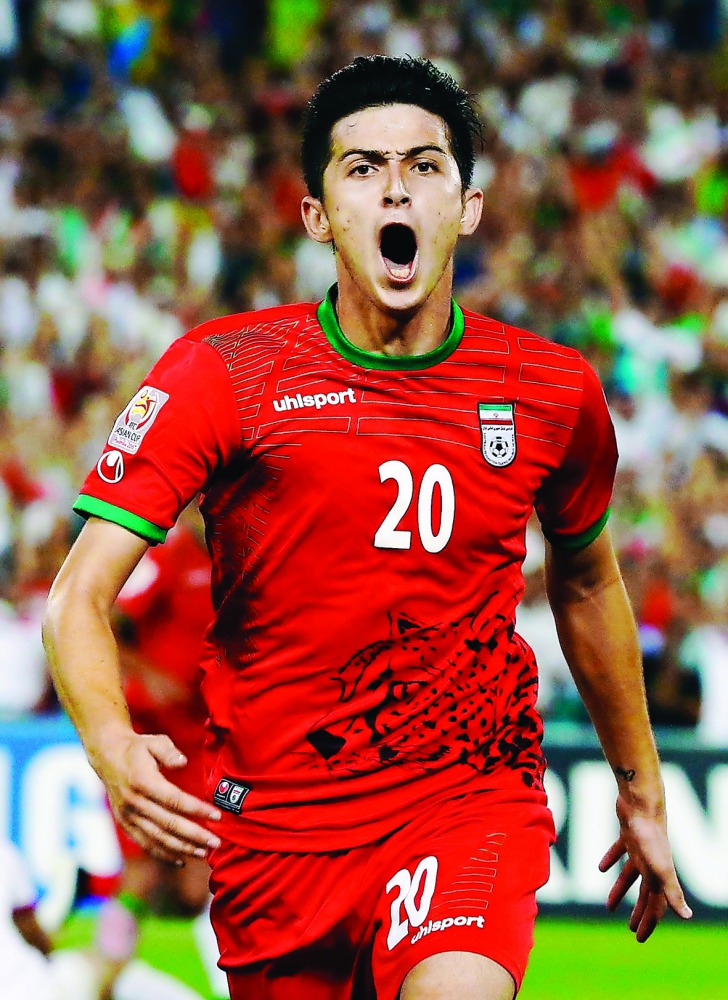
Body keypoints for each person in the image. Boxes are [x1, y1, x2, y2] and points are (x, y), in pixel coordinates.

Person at [43, 55, 691, 1000]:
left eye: (426, 166)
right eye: (362, 168)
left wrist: (641, 788)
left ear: (466, 206)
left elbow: (589, 584)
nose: (396, 187)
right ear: (319, 216)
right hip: (276, 830)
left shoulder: (552, 392)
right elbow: (78, 594)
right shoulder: (222, 375)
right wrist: (111, 742)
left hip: (467, 801)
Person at [88, 504, 219, 1000]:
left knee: (206, 877)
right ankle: (103, 976)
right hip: (152, 736)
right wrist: (145, 675)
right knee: (142, 870)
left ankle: (221, 978)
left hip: (203, 739)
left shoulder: (234, 561)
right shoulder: (168, 558)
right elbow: (103, 618)